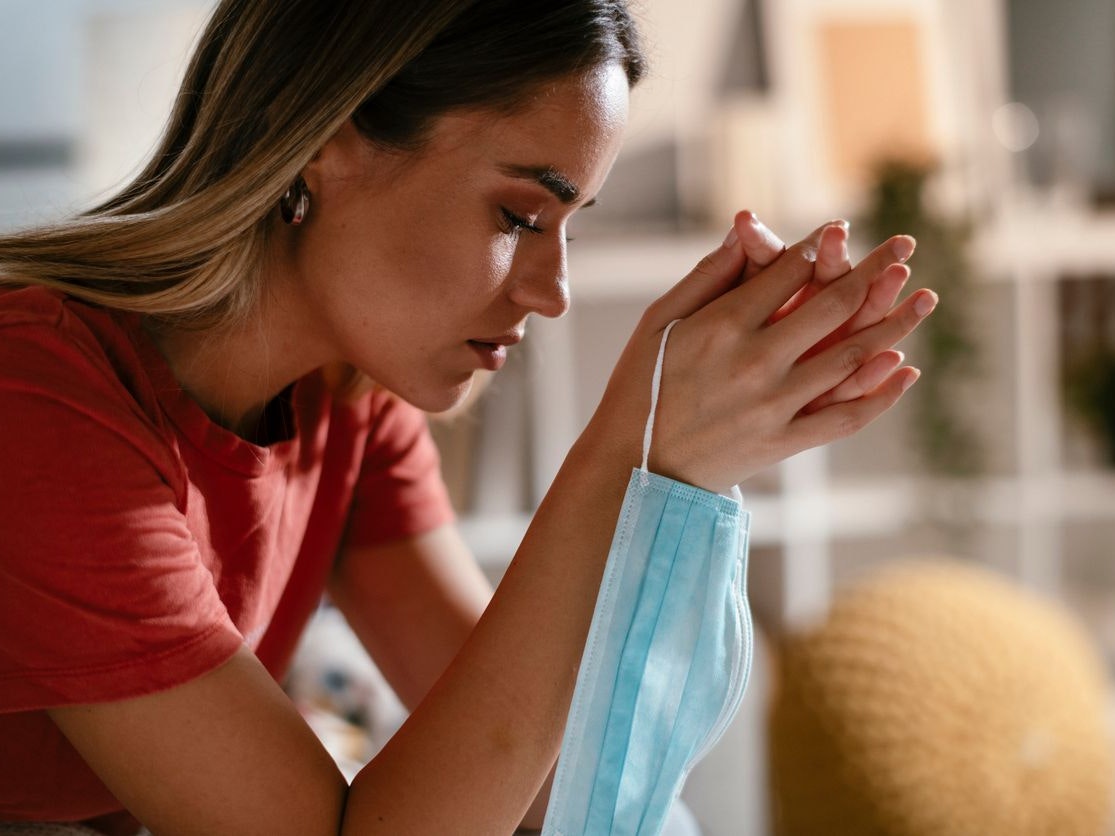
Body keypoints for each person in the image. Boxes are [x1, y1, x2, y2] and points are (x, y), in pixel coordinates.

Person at [0, 1, 936, 833]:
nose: (553, 291)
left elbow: (535, 790)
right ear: (326, 140)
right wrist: (621, 455)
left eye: (572, 230)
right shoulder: (35, 395)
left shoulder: (347, 401)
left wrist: (683, 467)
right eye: (520, 218)